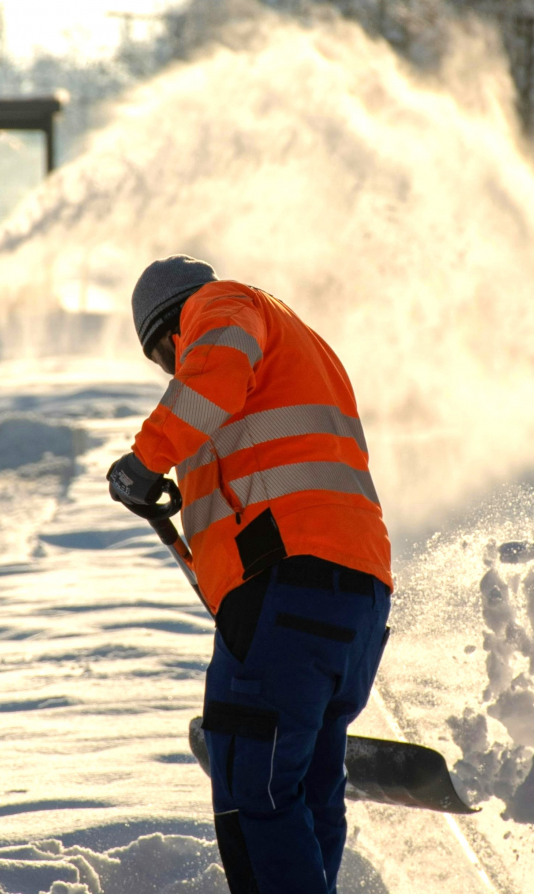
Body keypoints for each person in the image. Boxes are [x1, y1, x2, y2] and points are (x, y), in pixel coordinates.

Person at [107, 256, 393, 894]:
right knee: (307, 793)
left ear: (166, 329)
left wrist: (145, 461)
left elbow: (211, 375)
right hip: (356, 604)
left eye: (163, 359)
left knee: (253, 791)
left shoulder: (224, 306)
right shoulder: (303, 345)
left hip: (287, 593)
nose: (170, 373)